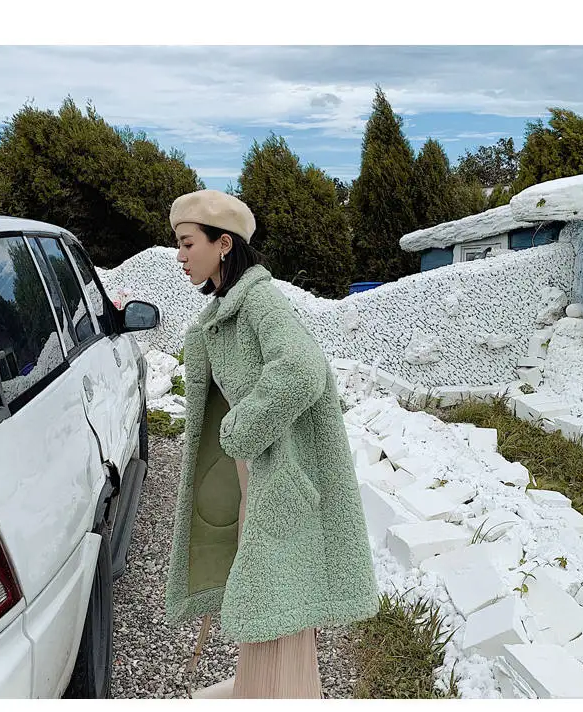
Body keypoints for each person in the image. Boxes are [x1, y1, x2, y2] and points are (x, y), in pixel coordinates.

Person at [164, 189, 379, 699]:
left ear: (223, 244)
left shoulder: (260, 300)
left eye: (187, 242)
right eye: (178, 244)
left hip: (281, 475)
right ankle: (262, 690)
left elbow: (302, 368)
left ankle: (274, 695)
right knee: (268, 600)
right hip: (259, 473)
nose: (179, 255)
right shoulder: (230, 307)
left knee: (275, 602)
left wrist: (242, 430)